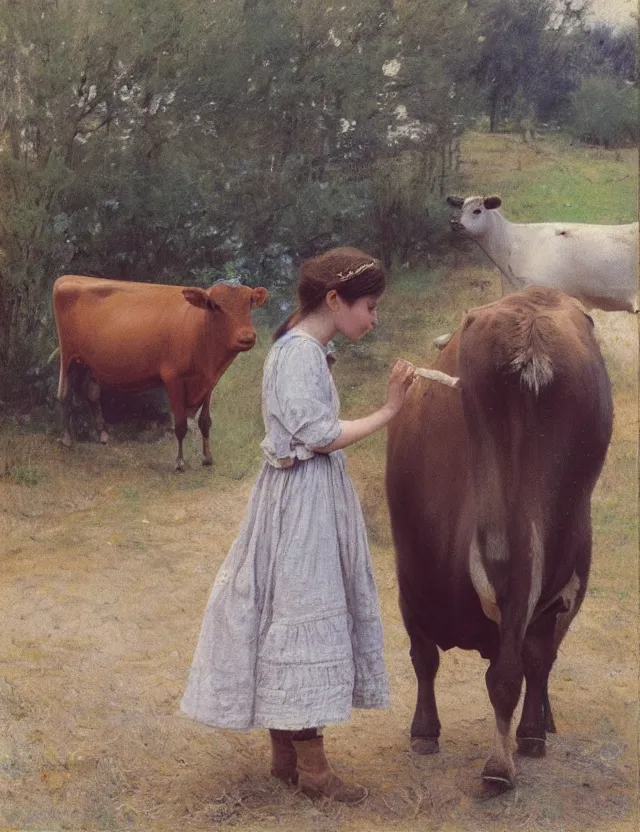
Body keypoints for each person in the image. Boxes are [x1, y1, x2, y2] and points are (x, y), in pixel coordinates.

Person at [181, 246, 415, 804]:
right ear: (334, 300)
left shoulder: (301, 348)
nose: (374, 319)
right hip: (302, 502)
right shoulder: (300, 354)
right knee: (301, 613)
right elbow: (318, 435)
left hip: (304, 495)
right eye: (370, 307)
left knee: (290, 614)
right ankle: (313, 772)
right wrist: (389, 410)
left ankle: (286, 756)